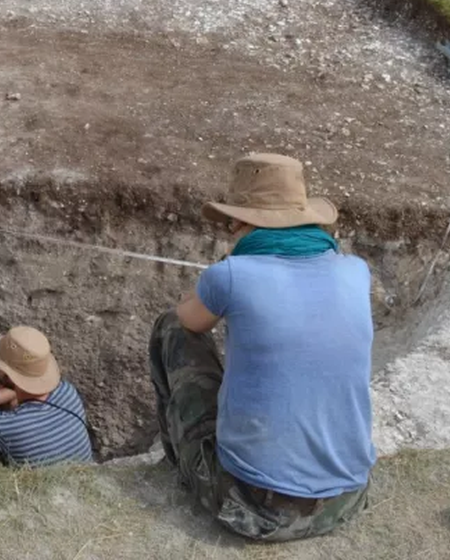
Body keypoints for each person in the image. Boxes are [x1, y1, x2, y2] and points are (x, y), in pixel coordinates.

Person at [148, 153, 375, 542]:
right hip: (348, 498)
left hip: (255, 508)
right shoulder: (355, 270)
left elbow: (187, 321)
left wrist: (219, 275)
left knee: (169, 328)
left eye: (230, 225)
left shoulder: (230, 276)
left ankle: (182, 466)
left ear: (240, 221)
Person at [0, 325, 94, 468]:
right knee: (12, 403)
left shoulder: (6, 426)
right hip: (75, 485)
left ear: (8, 375)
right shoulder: (68, 392)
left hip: (32, 492)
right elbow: (32, 392)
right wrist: (1, 393)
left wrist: (2, 379)